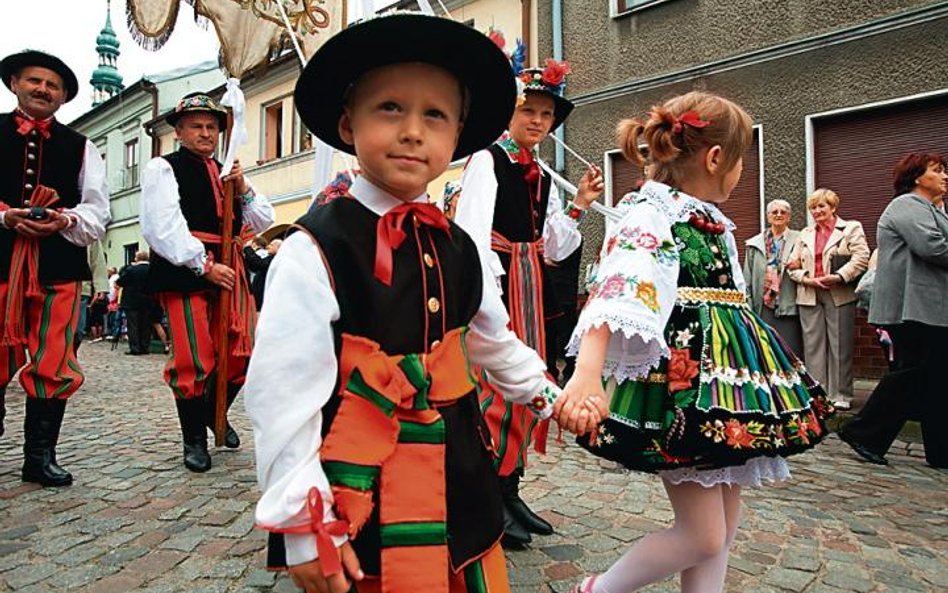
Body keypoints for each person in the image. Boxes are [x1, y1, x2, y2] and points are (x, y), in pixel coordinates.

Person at [245, 14, 604, 593]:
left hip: (458, 470)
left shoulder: (459, 245)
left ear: (457, 137)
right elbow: (282, 396)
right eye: (390, 108)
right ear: (347, 122)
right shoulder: (313, 248)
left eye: (434, 115)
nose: (413, 131)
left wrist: (550, 399)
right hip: (363, 481)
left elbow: (490, 340)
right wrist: (301, 522)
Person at [562, 91, 833, 593]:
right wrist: (587, 373)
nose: (741, 172)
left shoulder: (712, 221)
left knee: (723, 528)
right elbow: (618, 289)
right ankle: (597, 590)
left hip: (726, 384)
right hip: (684, 384)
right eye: (740, 160)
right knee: (703, 535)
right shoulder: (650, 211)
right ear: (714, 158)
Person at [454, 49, 605, 547]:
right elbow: (471, 232)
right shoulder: (486, 159)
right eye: (529, 111)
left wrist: (580, 205)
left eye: (546, 114)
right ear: (508, 114)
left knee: (526, 384)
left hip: (530, 284)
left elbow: (556, 248)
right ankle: (488, 497)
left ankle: (511, 487)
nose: (539, 121)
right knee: (493, 390)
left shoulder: (539, 174)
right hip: (499, 285)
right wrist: (487, 299)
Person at [140, 91, 274, 472]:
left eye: (212, 127)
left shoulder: (228, 172)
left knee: (242, 353)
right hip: (186, 271)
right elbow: (162, 226)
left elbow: (263, 220)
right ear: (179, 131)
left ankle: (215, 415)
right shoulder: (163, 169)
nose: (205, 133)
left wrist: (244, 187)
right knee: (194, 356)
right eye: (196, 126)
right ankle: (194, 439)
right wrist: (202, 264)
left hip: (229, 269)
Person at [0, 50, 110, 482]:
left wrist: (65, 220)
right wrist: (6, 217)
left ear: (63, 97)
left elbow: (98, 212)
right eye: (35, 81)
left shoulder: (82, 146)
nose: (43, 89)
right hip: (1, 264)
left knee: (54, 361)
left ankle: (38, 456)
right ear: (15, 84)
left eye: (53, 85)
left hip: (58, 270)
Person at [838, 153, 948, 468]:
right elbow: (933, 247)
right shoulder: (906, 206)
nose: (945, 176)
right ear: (916, 177)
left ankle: (941, 451)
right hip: (911, 308)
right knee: (914, 374)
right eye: (937, 171)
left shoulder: (932, 209)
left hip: (928, 307)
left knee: (936, 379)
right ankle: (863, 431)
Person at [787, 189, 869, 410]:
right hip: (809, 292)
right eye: (813, 207)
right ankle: (819, 393)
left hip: (839, 291)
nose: (817, 211)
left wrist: (838, 276)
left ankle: (841, 394)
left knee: (840, 344)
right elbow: (791, 266)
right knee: (813, 345)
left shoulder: (851, 228)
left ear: (833, 207)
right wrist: (806, 279)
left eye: (822, 206)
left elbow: (862, 257)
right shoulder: (804, 233)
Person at [742, 199, 804, 358]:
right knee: (766, 352)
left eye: (783, 212)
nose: (779, 215)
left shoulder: (800, 239)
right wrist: (748, 304)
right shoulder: (754, 244)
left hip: (789, 305)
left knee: (791, 352)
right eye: (774, 212)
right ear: (768, 217)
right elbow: (747, 278)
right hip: (762, 307)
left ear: (789, 217)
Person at [74, 239, 108, 353]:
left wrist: (101, 286)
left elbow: (97, 259)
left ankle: (70, 357)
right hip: (51, 285)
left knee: (78, 330)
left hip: (82, 287)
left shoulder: (87, 225)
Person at [116, 250, 153, 355]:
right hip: (148, 300)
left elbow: (120, 281)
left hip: (131, 301)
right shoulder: (152, 270)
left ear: (137, 258)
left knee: (133, 325)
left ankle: (135, 348)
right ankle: (145, 347)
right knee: (146, 325)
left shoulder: (131, 270)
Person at [243, 237, 281, 311]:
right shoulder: (271, 257)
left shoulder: (276, 259)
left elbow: (258, 264)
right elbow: (254, 267)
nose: (268, 246)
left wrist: (248, 248)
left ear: (279, 248)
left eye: (272, 245)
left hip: (263, 301)